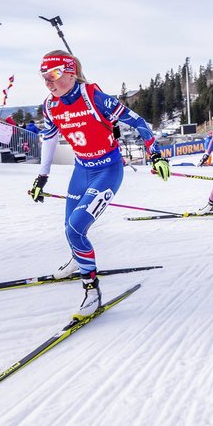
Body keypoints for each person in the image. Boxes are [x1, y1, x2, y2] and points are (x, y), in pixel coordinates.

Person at [28, 50, 170, 320]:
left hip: (107, 169)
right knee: (69, 226)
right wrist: (42, 177)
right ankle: (77, 259)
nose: (49, 82)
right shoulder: (50, 106)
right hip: (82, 169)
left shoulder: (94, 97)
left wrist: (156, 155)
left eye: (54, 75)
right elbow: (47, 140)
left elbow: (139, 123)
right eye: (44, 77)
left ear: (71, 72)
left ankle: (92, 292)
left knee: (76, 226)